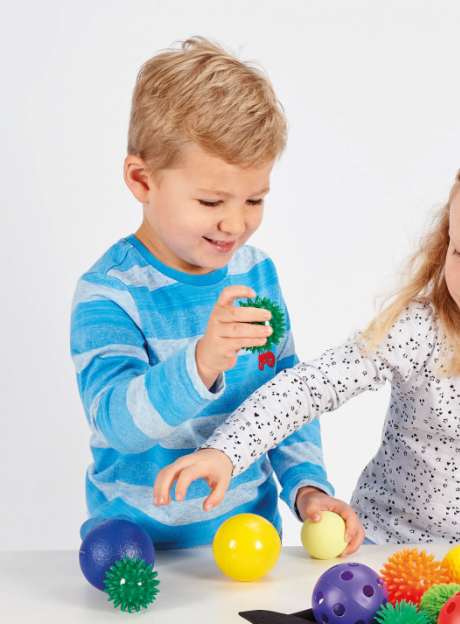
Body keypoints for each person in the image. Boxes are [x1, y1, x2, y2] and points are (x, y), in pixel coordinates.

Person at [154, 125, 460, 546]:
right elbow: (310, 386)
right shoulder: (422, 331)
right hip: (390, 551)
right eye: (459, 252)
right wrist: (226, 451)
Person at [71, 37, 362, 551]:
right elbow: (117, 424)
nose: (235, 223)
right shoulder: (109, 292)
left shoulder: (256, 273)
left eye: (254, 199)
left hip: (248, 541)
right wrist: (201, 363)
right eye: (210, 201)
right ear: (142, 180)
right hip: (136, 546)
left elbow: (284, 395)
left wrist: (307, 487)